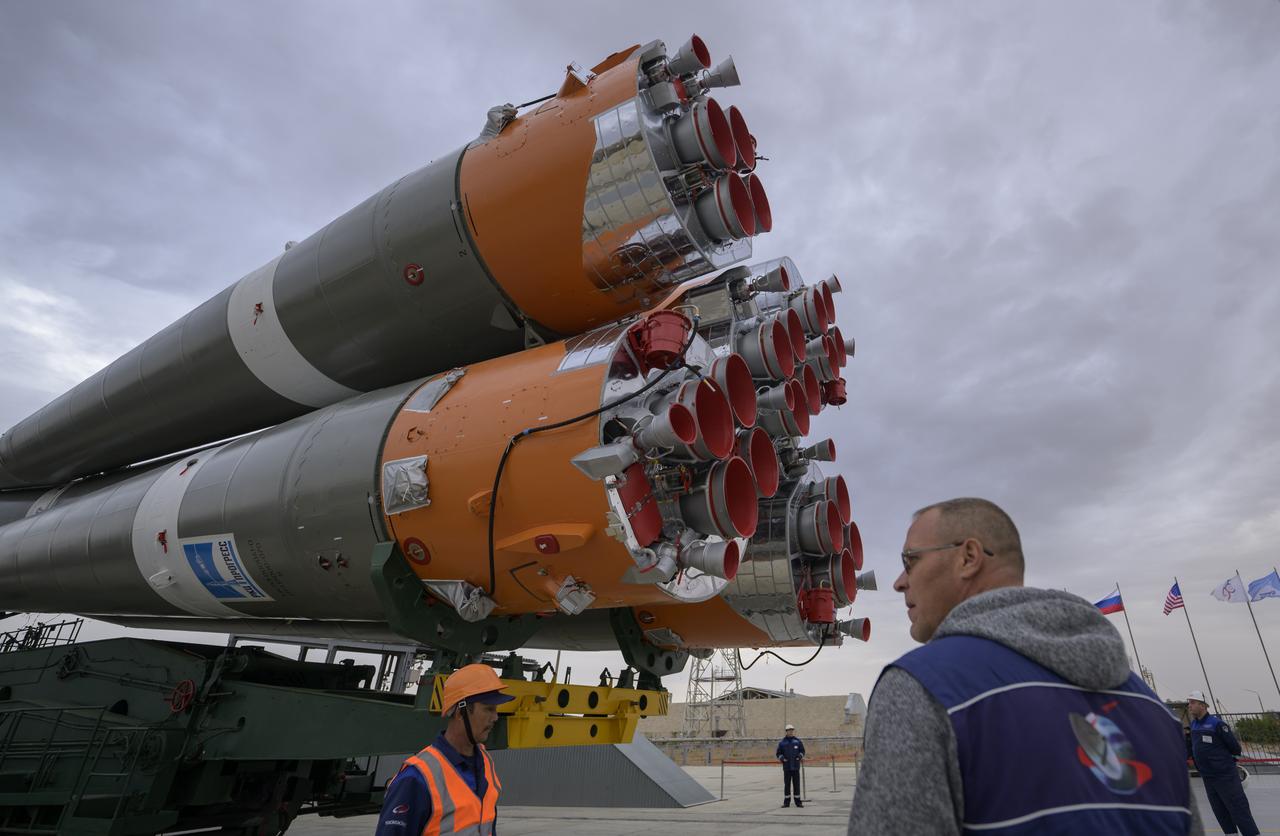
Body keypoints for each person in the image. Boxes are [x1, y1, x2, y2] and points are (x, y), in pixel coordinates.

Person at [848, 497, 1203, 835]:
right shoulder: (1153, 711)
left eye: (910, 560)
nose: (899, 582)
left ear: (968, 557)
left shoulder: (924, 688)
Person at [376, 663, 514, 835]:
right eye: (488, 709)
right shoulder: (417, 777)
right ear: (460, 712)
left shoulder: (485, 763)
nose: (495, 717)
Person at [1188, 690, 1258, 836]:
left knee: (1238, 809)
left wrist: (1221, 763)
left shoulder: (1217, 724)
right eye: (1189, 703)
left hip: (1225, 776)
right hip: (1208, 777)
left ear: (1203, 705)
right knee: (1220, 812)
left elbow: (1235, 748)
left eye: (1193, 703)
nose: (1190, 706)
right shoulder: (1193, 725)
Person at [776, 723, 806, 808]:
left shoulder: (797, 741)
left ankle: (798, 802)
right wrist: (782, 758)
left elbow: (802, 751)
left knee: (796, 785)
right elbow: (778, 753)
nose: (791, 732)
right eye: (789, 730)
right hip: (787, 767)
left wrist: (799, 756)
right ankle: (786, 802)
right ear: (786, 731)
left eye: (792, 730)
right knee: (787, 785)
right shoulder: (782, 743)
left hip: (795, 767)